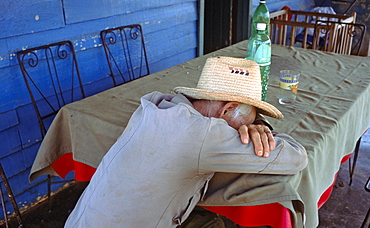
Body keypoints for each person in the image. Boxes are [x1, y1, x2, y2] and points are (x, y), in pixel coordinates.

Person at [65, 56, 307, 228]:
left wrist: (255, 124)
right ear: (228, 109)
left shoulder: (156, 104)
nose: (245, 130)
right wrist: (263, 131)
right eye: (246, 122)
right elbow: (297, 157)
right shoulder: (205, 133)